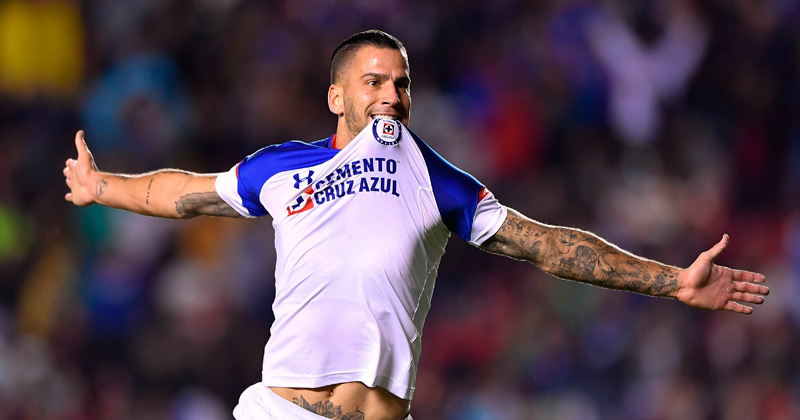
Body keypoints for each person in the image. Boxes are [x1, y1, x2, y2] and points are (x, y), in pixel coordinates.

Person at [63, 30, 768, 420]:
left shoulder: (435, 179)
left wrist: (671, 280)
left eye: (401, 84)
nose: (392, 95)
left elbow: (548, 246)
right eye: (374, 81)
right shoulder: (283, 168)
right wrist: (102, 188)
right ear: (336, 96)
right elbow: (186, 194)